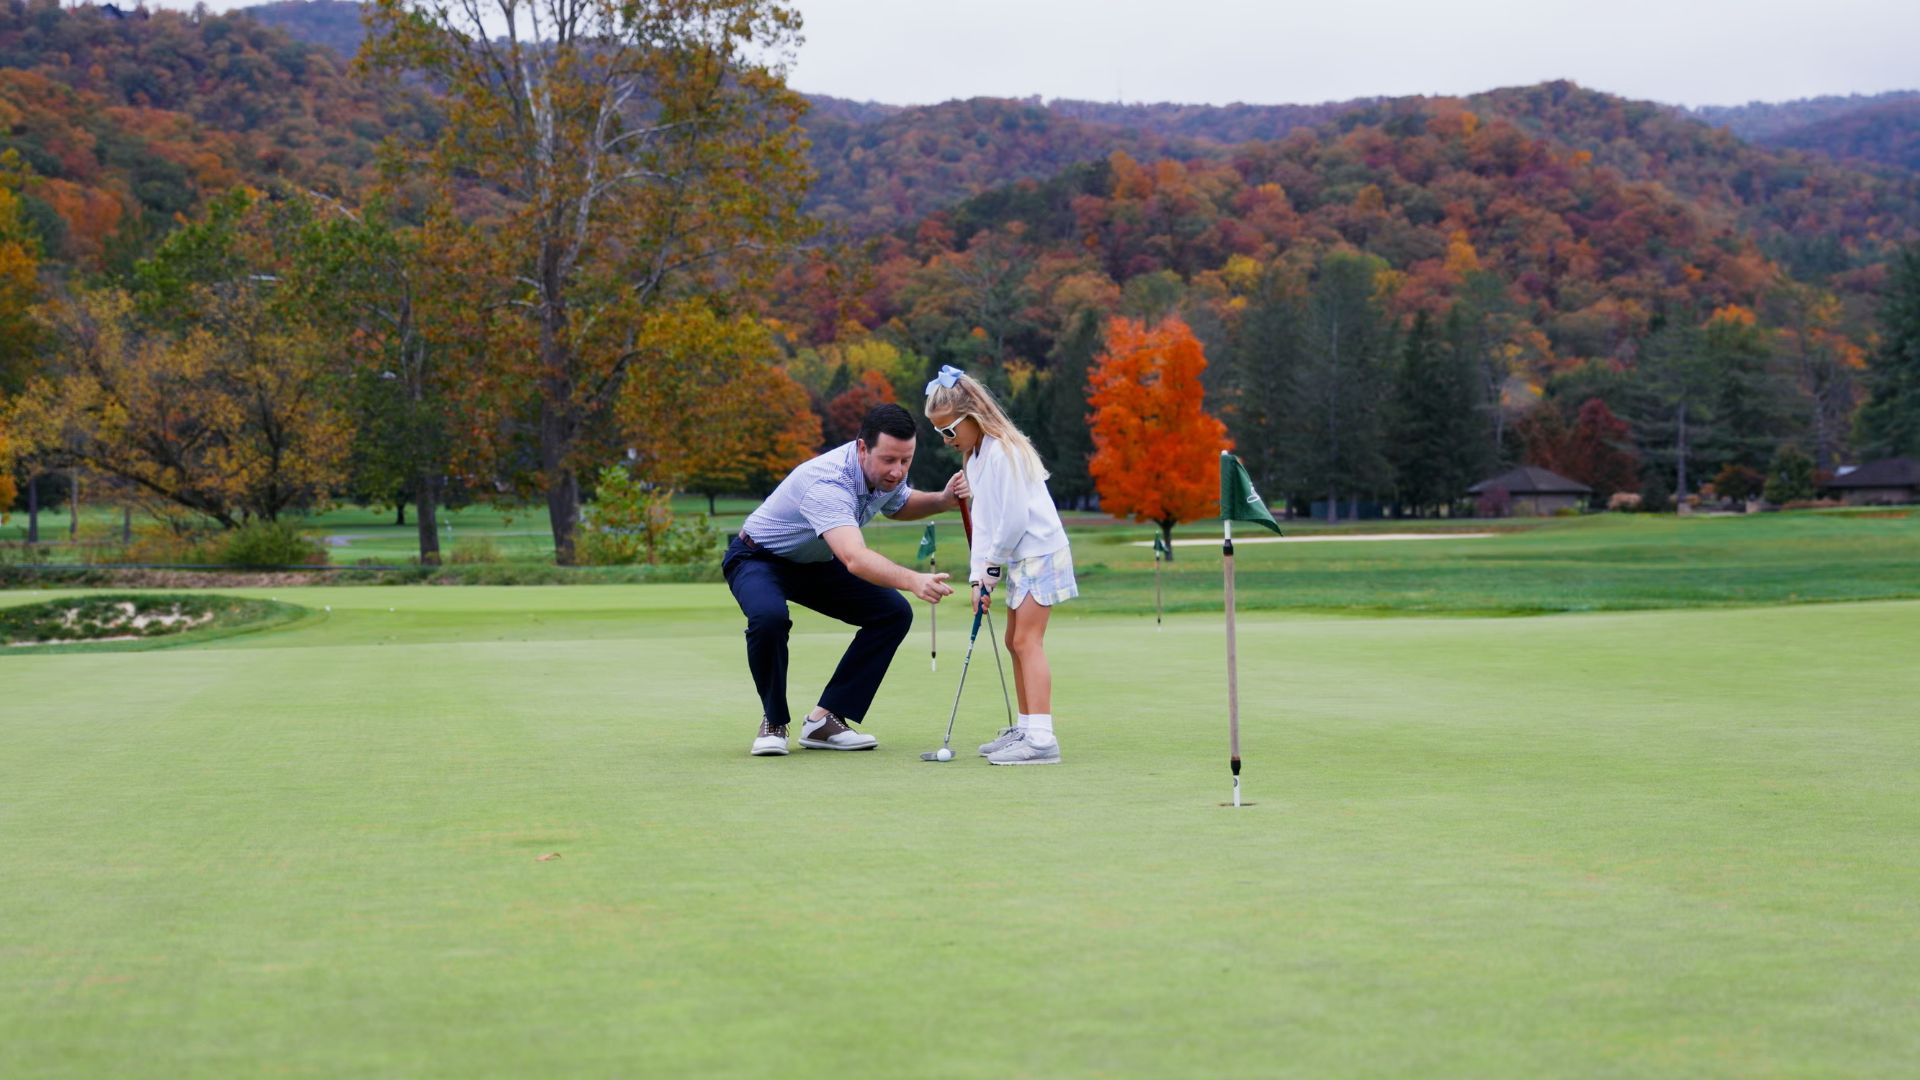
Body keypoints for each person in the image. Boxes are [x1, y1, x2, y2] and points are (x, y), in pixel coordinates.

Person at [726, 403, 962, 757]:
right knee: (769, 617)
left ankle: (825, 720)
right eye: (889, 460)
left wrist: (942, 500)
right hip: (758, 558)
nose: (897, 472)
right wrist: (912, 579)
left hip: (815, 561)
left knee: (892, 614)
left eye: (905, 460)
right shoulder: (827, 482)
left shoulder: (882, 473)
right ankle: (774, 721)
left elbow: (899, 504)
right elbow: (854, 558)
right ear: (862, 448)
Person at [923, 365, 1077, 765]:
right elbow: (987, 524)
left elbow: (1012, 523)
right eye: (939, 433)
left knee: (1027, 641)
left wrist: (990, 571)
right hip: (1019, 556)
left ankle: (1042, 740)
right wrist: (978, 579)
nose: (946, 440)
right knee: (1013, 641)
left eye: (949, 431)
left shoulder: (1004, 451)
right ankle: (1026, 728)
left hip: (1040, 551)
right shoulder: (975, 458)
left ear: (971, 418)